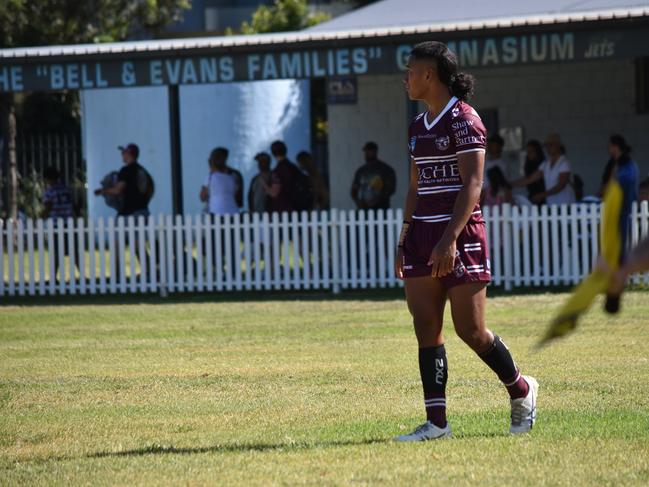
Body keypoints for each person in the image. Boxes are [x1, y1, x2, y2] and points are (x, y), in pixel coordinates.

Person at [395, 40, 537, 442]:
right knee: (426, 326)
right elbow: (414, 188)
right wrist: (405, 239)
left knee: (471, 331)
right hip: (423, 235)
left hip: (461, 237)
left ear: (429, 75)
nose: (404, 78)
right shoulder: (415, 127)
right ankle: (437, 423)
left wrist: (450, 238)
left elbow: (473, 184)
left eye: (410, 70)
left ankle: (522, 391)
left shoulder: (465, 119)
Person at [512, 134, 575, 205]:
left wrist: (542, 195)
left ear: (558, 146)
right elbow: (530, 179)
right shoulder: (546, 164)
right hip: (551, 204)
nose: (548, 148)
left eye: (551, 145)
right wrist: (511, 184)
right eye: (546, 146)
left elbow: (561, 185)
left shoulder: (564, 163)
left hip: (565, 204)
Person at [94, 143, 154, 218]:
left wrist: (103, 191)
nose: (122, 155)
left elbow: (118, 190)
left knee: (116, 228)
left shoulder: (126, 170)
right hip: (144, 212)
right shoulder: (143, 171)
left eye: (123, 152)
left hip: (130, 213)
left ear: (129, 153)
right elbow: (151, 190)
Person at [42, 166, 78, 281]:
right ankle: (82, 273)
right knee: (73, 250)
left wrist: (43, 216)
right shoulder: (66, 189)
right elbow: (73, 204)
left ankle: (54, 276)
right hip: (68, 222)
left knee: (56, 251)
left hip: (56, 224)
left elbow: (48, 205)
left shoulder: (49, 191)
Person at [350, 142, 396, 211]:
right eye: (365, 151)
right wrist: (358, 202)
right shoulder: (361, 171)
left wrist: (377, 200)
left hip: (381, 208)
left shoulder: (385, 169)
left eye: (369, 151)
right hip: (364, 208)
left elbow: (390, 189)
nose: (366, 154)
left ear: (375, 152)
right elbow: (354, 189)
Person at [200, 147, 240, 216]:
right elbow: (236, 194)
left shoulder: (210, 178)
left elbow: (202, 197)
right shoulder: (233, 178)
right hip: (233, 213)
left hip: (216, 213)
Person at [264, 140, 300, 213]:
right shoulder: (293, 168)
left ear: (273, 153)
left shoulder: (278, 171)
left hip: (281, 210)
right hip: (296, 208)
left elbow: (274, 193)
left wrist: (265, 186)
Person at [599, 135, 639, 199]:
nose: (608, 148)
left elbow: (613, 181)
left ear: (616, 147)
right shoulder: (612, 162)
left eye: (610, 145)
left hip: (622, 198)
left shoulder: (627, 163)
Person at [524, 140, 546, 204]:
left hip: (543, 196)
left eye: (532, 151)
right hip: (532, 196)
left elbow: (531, 179)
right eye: (528, 151)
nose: (529, 153)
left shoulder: (543, 164)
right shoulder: (528, 165)